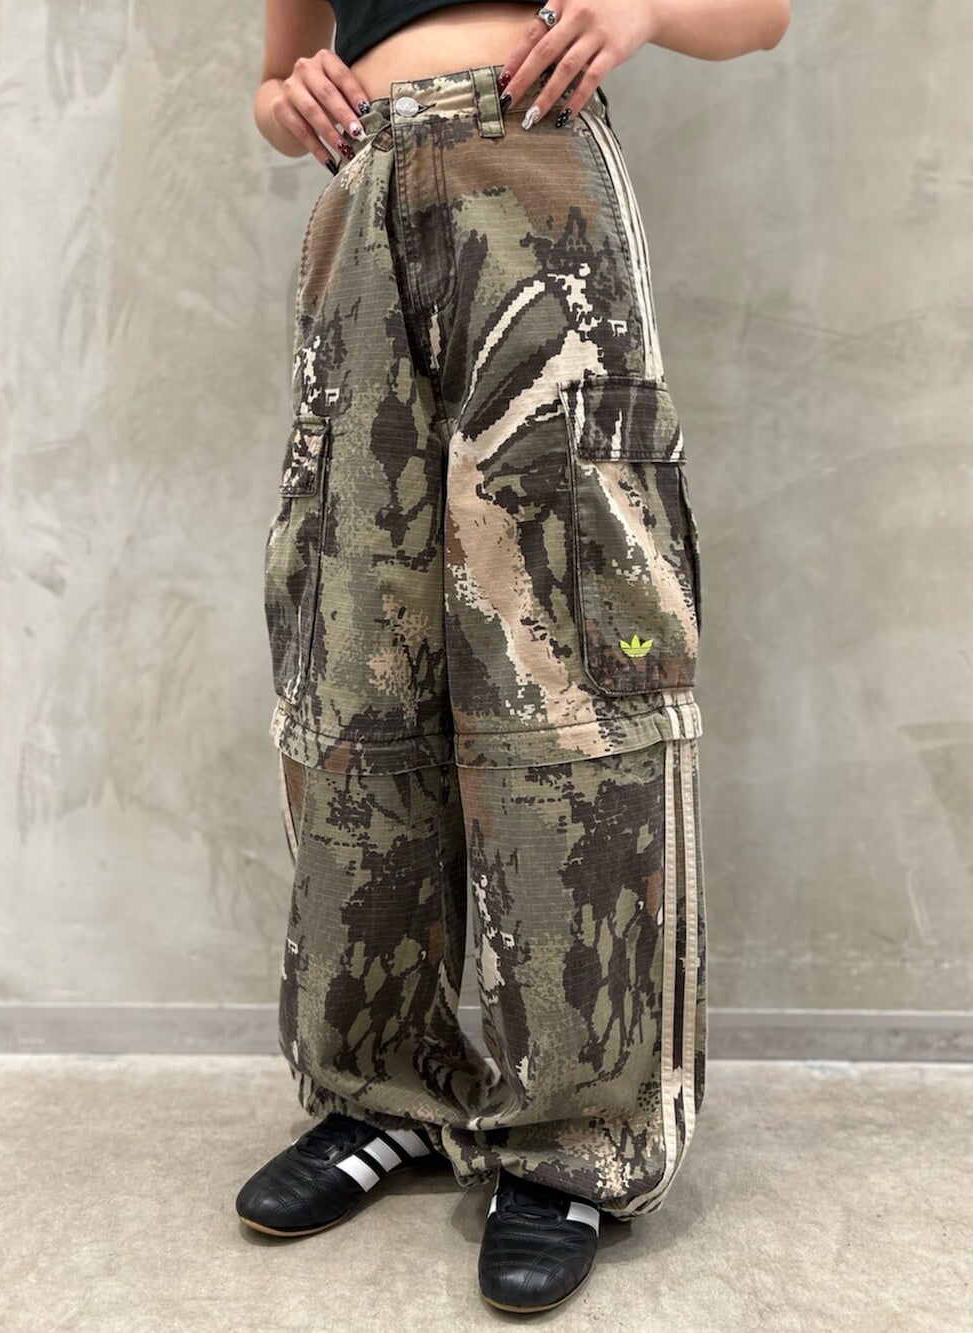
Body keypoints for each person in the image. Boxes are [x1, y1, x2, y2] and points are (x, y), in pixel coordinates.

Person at [236, 0, 789, 1314]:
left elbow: (761, 17)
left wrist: (642, 10)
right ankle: (382, 1091)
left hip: (537, 178)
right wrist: (291, 102)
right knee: (353, 663)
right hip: (362, 207)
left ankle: (571, 1141)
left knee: (573, 666)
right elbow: (273, 81)